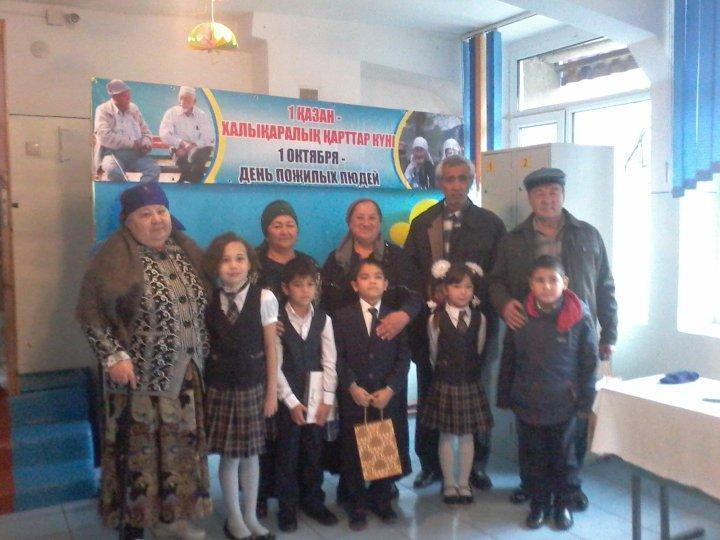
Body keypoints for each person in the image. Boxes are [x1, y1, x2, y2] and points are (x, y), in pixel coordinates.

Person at [76, 182, 211, 540]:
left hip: (186, 376)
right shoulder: (114, 257)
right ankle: (134, 522)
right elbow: (92, 315)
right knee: (140, 454)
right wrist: (113, 356)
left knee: (181, 452)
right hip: (139, 379)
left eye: (161, 211)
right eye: (145, 214)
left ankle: (173, 520)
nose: (156, 220)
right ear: (128, 220)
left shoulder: (186, 251)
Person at [489, 167, 617, 510]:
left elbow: (605, 284)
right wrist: (505, 304)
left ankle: (568, 488)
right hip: (530, 335)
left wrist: (610, 333)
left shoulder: (587, 234)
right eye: (540, 194)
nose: (547, 199)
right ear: (530, 198)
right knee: (530, 426)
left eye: (553, 192)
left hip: (577, 337)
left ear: (563, 195)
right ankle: (533, 486)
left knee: (572, 421)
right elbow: (495, 282)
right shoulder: (514, 239)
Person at [404, 154, 506, 490]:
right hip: (433, 326)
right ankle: (430, 465)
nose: (456, 185)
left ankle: (477, 466)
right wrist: (430, 298)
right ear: (439, 183)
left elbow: (499, 275)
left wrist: (474, 300)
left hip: (475, 325)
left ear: (472, 181)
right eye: (449, 179)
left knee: (477, 392)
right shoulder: (424, 222)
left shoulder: (491, 224)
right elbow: (410, 272)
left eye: (463, 178)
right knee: (430, 392)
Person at [507, 255, 598, 531]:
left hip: (564, 403)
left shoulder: (579, 317)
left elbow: (589, 362)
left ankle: (562, 505)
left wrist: (586, 400)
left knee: (564, 459)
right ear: (530, 284)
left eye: (552, 280)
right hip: (528, 401)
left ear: (564, 282)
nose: (546, 286)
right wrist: (506, 393)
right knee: (533, 457)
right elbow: (510, 358)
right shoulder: (520, 315)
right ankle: (539, 505)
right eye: (540, 280)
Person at [203, 233, 278, 540]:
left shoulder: (264, 297)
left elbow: (272, 348)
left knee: (251, 455)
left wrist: (272, 393)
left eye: (239, 258)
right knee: (229, 456)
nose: (233, 265)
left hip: (252, 385)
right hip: (220, 386)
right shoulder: (208, 299)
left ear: (250, 263)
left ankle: (250, 516)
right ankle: (234, 519)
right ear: (215, 266)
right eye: (225, 260)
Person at [333, 259, 411, 531]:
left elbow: (403, 358)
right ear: (355, 285)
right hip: (354, 396)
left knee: (382, 446)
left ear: (386, 284)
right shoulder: (341, 317)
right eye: (365, 277)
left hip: (384, 396)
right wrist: (351, 386)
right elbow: (336, 357)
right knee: (353, 450)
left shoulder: (394, 318)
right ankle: (355, 502)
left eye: (378, 276)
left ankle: (381, 498)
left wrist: (390, 388)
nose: (372, 281)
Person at [255, 200, 317, 517]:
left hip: (303, 359)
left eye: (290, 224)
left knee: (303, 435)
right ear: (266, 230)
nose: (284, 231)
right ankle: (261, 495)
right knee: (268, 433)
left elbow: (317, 308)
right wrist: (263, 325)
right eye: (277, 225)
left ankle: (304, 495)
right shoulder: (253, 264)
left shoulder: (307, 263)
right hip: (265, 360)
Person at [420, 261, 493, 506]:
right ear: (445, 289)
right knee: (447, 435)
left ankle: (464, 483)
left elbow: (479, 348)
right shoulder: (435, 319)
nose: (463, 292)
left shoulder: (480, 319)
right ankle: (450, 484)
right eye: (456, 286)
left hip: (469, 382)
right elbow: (433, 353)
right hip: (446, 382)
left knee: (468, 435)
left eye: (468, 287)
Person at [275, 257, 339, 532]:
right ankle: (287, 508)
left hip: (316, 398)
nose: (305, 290)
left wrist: (327, 400)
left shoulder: (324, 319)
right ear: (285, 288)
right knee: (287, 455)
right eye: (298, 285)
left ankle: (314, 501)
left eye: (310, 285)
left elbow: (329, 361)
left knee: (314, 451)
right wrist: (290, 402)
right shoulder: (276, 321)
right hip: (287, 399)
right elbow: (274, 366)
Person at [94, 79, 160, 183]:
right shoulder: (103, 110)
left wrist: (145, 143)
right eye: (125, 96)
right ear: (115, 97)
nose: (129, 98)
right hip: (112, 154)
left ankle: (140, 191)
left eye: (129, 95)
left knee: (154, 169)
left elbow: (146, 132)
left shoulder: (134, 108)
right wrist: (132, 144)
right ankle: (123, 192)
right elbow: (104, 136)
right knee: (113, 171)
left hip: (136, 154)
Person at [159, 86, 215, 184]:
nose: (183, 102)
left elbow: (208, 137)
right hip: (179, 149)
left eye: (187, 99)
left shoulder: (202, 115)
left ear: (194, 101)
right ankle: (194, 185)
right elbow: (165, 134)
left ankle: (183, 183)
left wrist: (192, 146)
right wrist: (182, 144)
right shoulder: (171, 113)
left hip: (198, 150)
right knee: (188, 166)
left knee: (198, 159)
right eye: (181, 98)